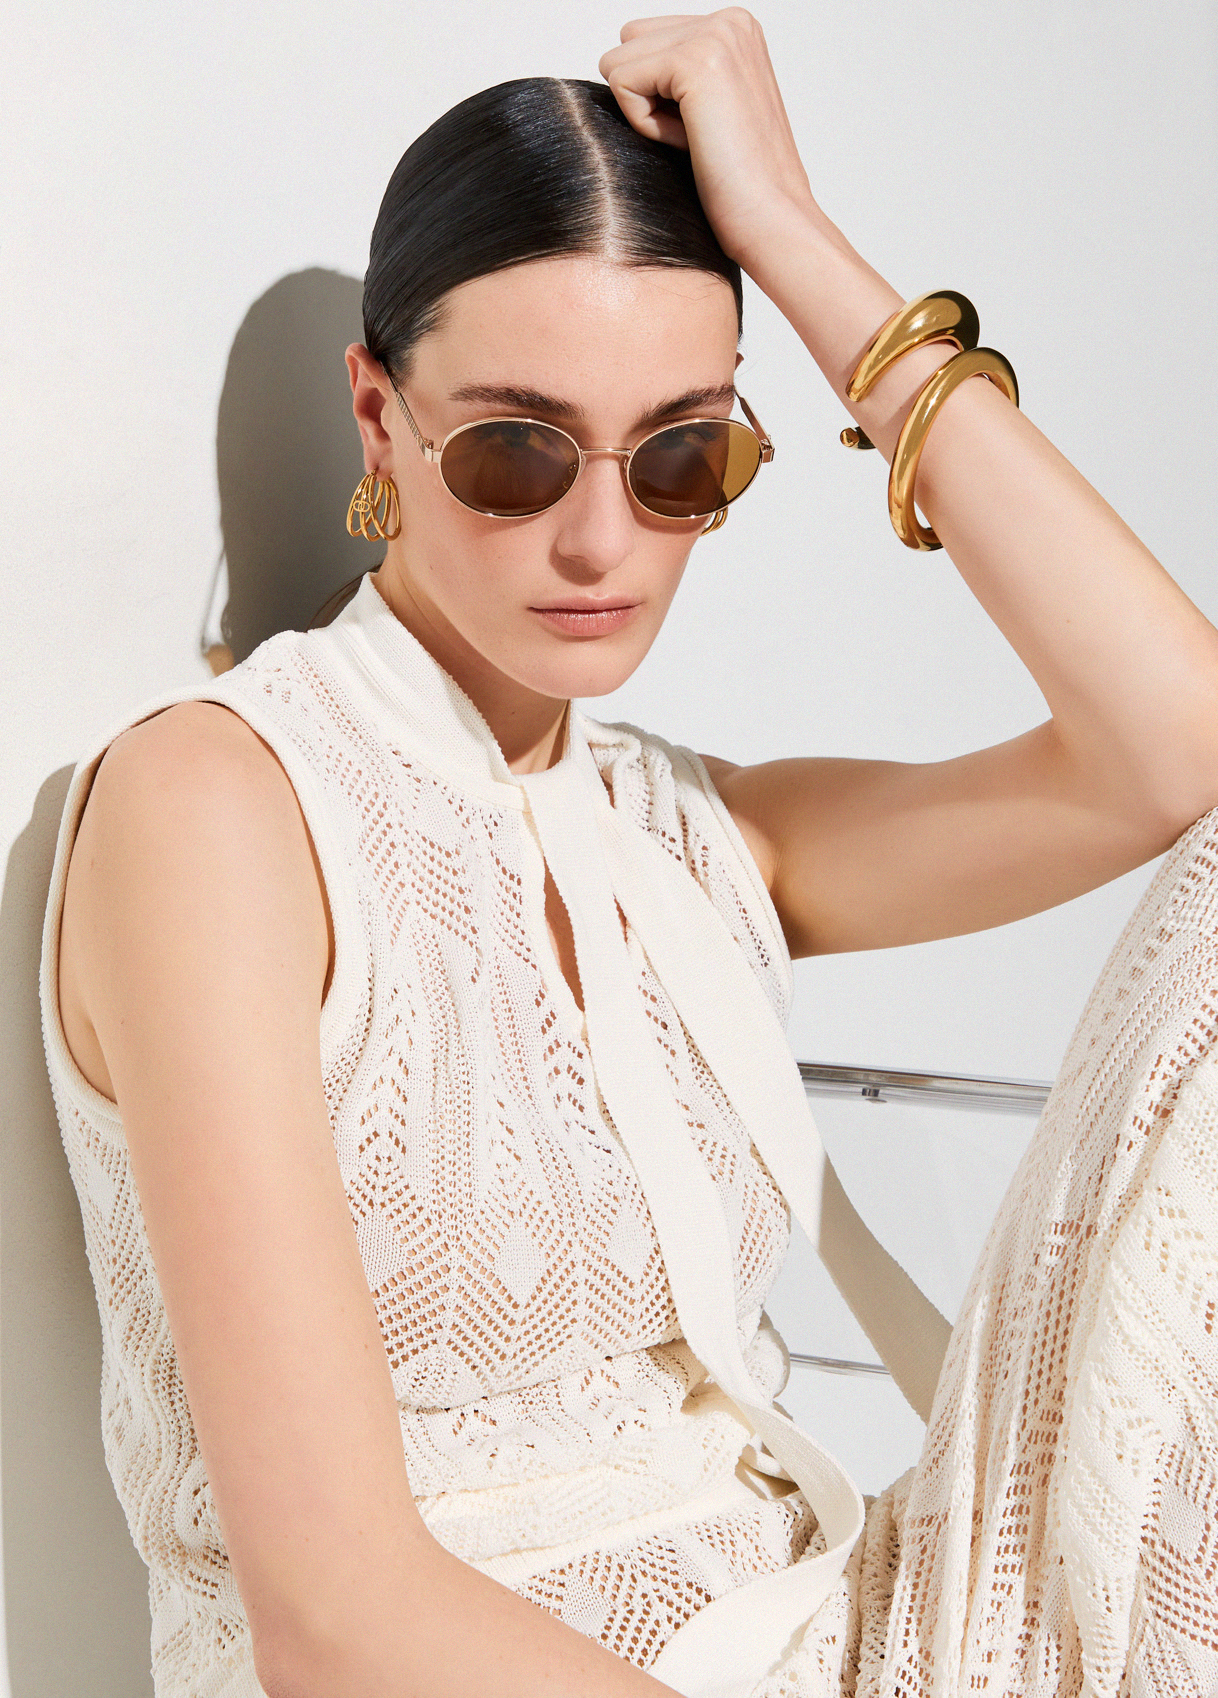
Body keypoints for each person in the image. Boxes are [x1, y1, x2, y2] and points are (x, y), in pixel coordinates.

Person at [37, 11, 1218, 1698]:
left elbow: (1175, 747)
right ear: (376, 418)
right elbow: (334, 1616)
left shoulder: (695, 830)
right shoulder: (220, 808)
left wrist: (791, 234)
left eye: (680, 455)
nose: (601, 540)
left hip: (832, 1631)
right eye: (514, 449)